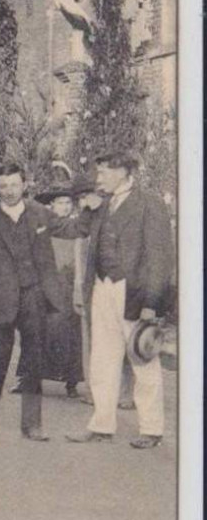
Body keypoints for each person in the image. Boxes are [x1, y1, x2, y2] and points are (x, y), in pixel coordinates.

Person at [59, 149, 174, 449]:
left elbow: (159, 257)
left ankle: (151, 429)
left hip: (133, 291)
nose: (99, 178)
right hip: (102, 287)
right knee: (102, 357)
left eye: (103, 172)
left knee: (143, 358)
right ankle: (102, 424)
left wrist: (152, 302)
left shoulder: (150, 204)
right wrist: (88, 208)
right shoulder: (101, 205)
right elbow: (75, 230)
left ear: (123, 171)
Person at [0, 162, 64, 442]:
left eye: (14, 184)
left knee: (34, 360)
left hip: (34, 296)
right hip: (0, 300)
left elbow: (72, 227)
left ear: (24, 184)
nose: (9, 191)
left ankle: (32, 425)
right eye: (3, 186)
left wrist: (93, 206)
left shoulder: (41, 214)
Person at [31, 182, 85, 399]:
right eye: (60, 203)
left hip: (70, 287)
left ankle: (71, 382)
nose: (65, 207)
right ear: (51, 205)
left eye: (68, 203)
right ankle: (32, 379)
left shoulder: (76, 228)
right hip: (47, 286)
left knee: (72, 335)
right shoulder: (42, 228)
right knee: (40, 331)